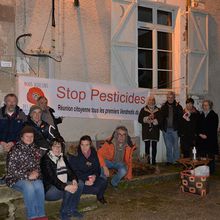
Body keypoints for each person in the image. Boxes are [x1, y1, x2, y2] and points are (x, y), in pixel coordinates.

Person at [5, 126, 47, 220]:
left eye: (31, 136)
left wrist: (36, 173)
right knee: (28, 186)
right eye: (27, 136)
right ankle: (32, 216)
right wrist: (27, 176)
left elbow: (38, 166)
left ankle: (41, 214)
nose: (29, 138)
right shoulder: (14, 150)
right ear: (22, 137)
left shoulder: (35, 149)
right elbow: (11, 170)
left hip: (31, 177)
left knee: (39, 184)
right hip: (14, 178)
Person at [40, 138, 83, 220]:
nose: (57, 149)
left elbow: (70, 171)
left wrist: (74, 180)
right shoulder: (45, 160)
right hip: (50, 190)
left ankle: (73, 209)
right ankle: (63, 212)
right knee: (68, 188)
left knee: (80, 183)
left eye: (59, 146)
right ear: (50, 147)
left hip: (61, 184)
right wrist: (65, 186)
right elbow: (52, 179)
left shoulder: (62, 157)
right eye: (55, 146)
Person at [68, 135, 108, 204]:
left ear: (90, 144)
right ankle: (91, 192)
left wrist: (94, 176)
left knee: (104, 181)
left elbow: (97, 168)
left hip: (91, 178)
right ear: (79, 145)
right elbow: (73, 172)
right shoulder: (74, 154)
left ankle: (100, 197)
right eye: (82, 145)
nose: (84, 147)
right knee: (95, 189)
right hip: (80, 180)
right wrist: (85, 181)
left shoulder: (93, 152)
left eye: (87, 145)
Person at [0, 93, 27, 183]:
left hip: (15, 142)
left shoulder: (21, 114)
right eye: (9, 101)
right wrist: (2, 142)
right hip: (1, 142)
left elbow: (24, 132)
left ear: (16, 102)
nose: (11, 103)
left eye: (14, 101)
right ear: (5, 102)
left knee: (20, 149)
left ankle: (13, 176)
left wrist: (13, 142)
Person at [160, 91, 183, 165]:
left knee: (176, 146)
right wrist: (162, 128)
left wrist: (180, 129)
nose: (170, 99)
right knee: (168, 146)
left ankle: (176, 161)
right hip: (166, 130)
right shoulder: (163, 107)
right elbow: (161, 118)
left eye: (171, 97)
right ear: (167, 98)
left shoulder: (178, 107)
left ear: (174, 98)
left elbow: (181, 119)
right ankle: (169, 161)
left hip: (175, 129)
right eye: (168, 97)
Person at [196, 100, 219, 173]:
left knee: (210, 156)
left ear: (210, 106)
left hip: (210, 139)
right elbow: (197, 126)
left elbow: (213, 127)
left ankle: (211, 171)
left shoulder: (214, 115)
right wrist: (199, 134)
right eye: (204, 105)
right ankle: (203, 170)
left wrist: (207, 135)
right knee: (202, 155)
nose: (205, 107)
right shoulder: (201, 115)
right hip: (201, 139)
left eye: (206, 105)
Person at [138, 96, 160, 165]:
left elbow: (161, 119)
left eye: (153, 100)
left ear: (154, 101)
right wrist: (147, 118)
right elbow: (140, 119)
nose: (151, 101)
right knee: (147, 147)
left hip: (154, 131)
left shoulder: (158, 110)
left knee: (154, 146)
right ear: (148, 101)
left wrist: (154, 120)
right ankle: (147, 162)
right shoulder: (143, 109)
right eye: (150, 100)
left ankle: (153, 161)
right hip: (146, 131)